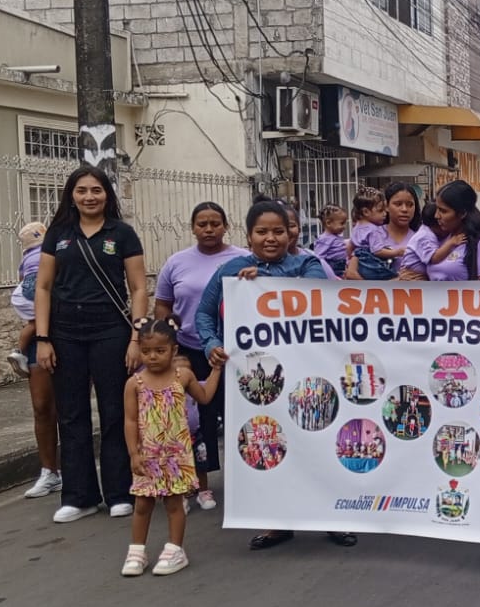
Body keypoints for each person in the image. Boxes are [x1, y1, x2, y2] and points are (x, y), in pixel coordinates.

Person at [196, 199, 350, 553]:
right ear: (248, 235)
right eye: (261, 232)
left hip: (308, 374)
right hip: (257, 381)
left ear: (290, 233)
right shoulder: (230, 270)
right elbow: (203, 314)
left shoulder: (307, 264)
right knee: (267, 443)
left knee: (317, 443)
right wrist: (211, 345)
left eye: (278, 231)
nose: (270, 238)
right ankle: (277, 522)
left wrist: (264, 282)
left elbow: (315, 297)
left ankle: (332, 518)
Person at [33, 168, 149, 523]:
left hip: (111, 331)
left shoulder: (122, 234)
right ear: (71, 195)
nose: (89, 197)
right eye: (82, 190)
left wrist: (136, 338)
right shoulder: (58, 235)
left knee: (115, 411)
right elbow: (43, 288)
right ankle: (79, 496)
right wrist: (43, 339)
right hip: (65, 333)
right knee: (71, 414)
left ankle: (120, 492)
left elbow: (138, 289)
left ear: (106, 195)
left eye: (96, 190)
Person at [153, 202, 245, 511]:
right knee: (196, 421)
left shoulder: (242, 259)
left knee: (236, 414)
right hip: (190, 349)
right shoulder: (176, 262)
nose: (208, 229)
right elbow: (163, 305)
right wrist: (167, 341)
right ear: (192, 227)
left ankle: (245, 477)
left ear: (226, 226)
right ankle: (200, 483)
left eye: (215, 223)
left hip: (234, 351)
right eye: (202, 224)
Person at [119, 318, 225, 577]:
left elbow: (205, 397)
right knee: (142, 503)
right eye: (146, 351)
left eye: (160, 350)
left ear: (173, 350)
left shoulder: (183, 376)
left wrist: (216, 370)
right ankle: (137, 550)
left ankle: (175, 549)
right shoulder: (134, 383)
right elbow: (130, 420)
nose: (152, 357)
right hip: (147, 456)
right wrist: (133, 453)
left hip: (176, 456)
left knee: (174, 503)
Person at [5, 221, 61, 496]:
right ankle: (50, 472)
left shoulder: (60, 250)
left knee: (71, 407)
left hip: (68, 333)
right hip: (40, 336)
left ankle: (78, 470)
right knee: (42, 406)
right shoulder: (34, 261)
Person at [400, 180, 480, 280]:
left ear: (462, 213)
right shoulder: (442, 238)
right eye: (437, 209)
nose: (436, 216)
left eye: (443, 211)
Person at [7, 221, 45, 377]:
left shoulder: (26, 256)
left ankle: (20, 352)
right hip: (38, 284)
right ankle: (19, 352)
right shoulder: (48, 251)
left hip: (23, 290)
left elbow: (21, 277)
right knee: (37, 323)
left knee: (32, 323)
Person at [378, 181, 422, 282]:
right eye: (398, 204)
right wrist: (396, 281)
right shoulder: (372, 235)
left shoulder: (421, 239)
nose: (404, 209)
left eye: (410, 205)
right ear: (386, 206)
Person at [314, 204, 350, 276]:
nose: (344, 226)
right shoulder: (324, 239)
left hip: (342, 264)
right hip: (333, 267)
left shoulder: (336, 236)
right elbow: (319, 256)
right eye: (342, 223)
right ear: (328, 223)